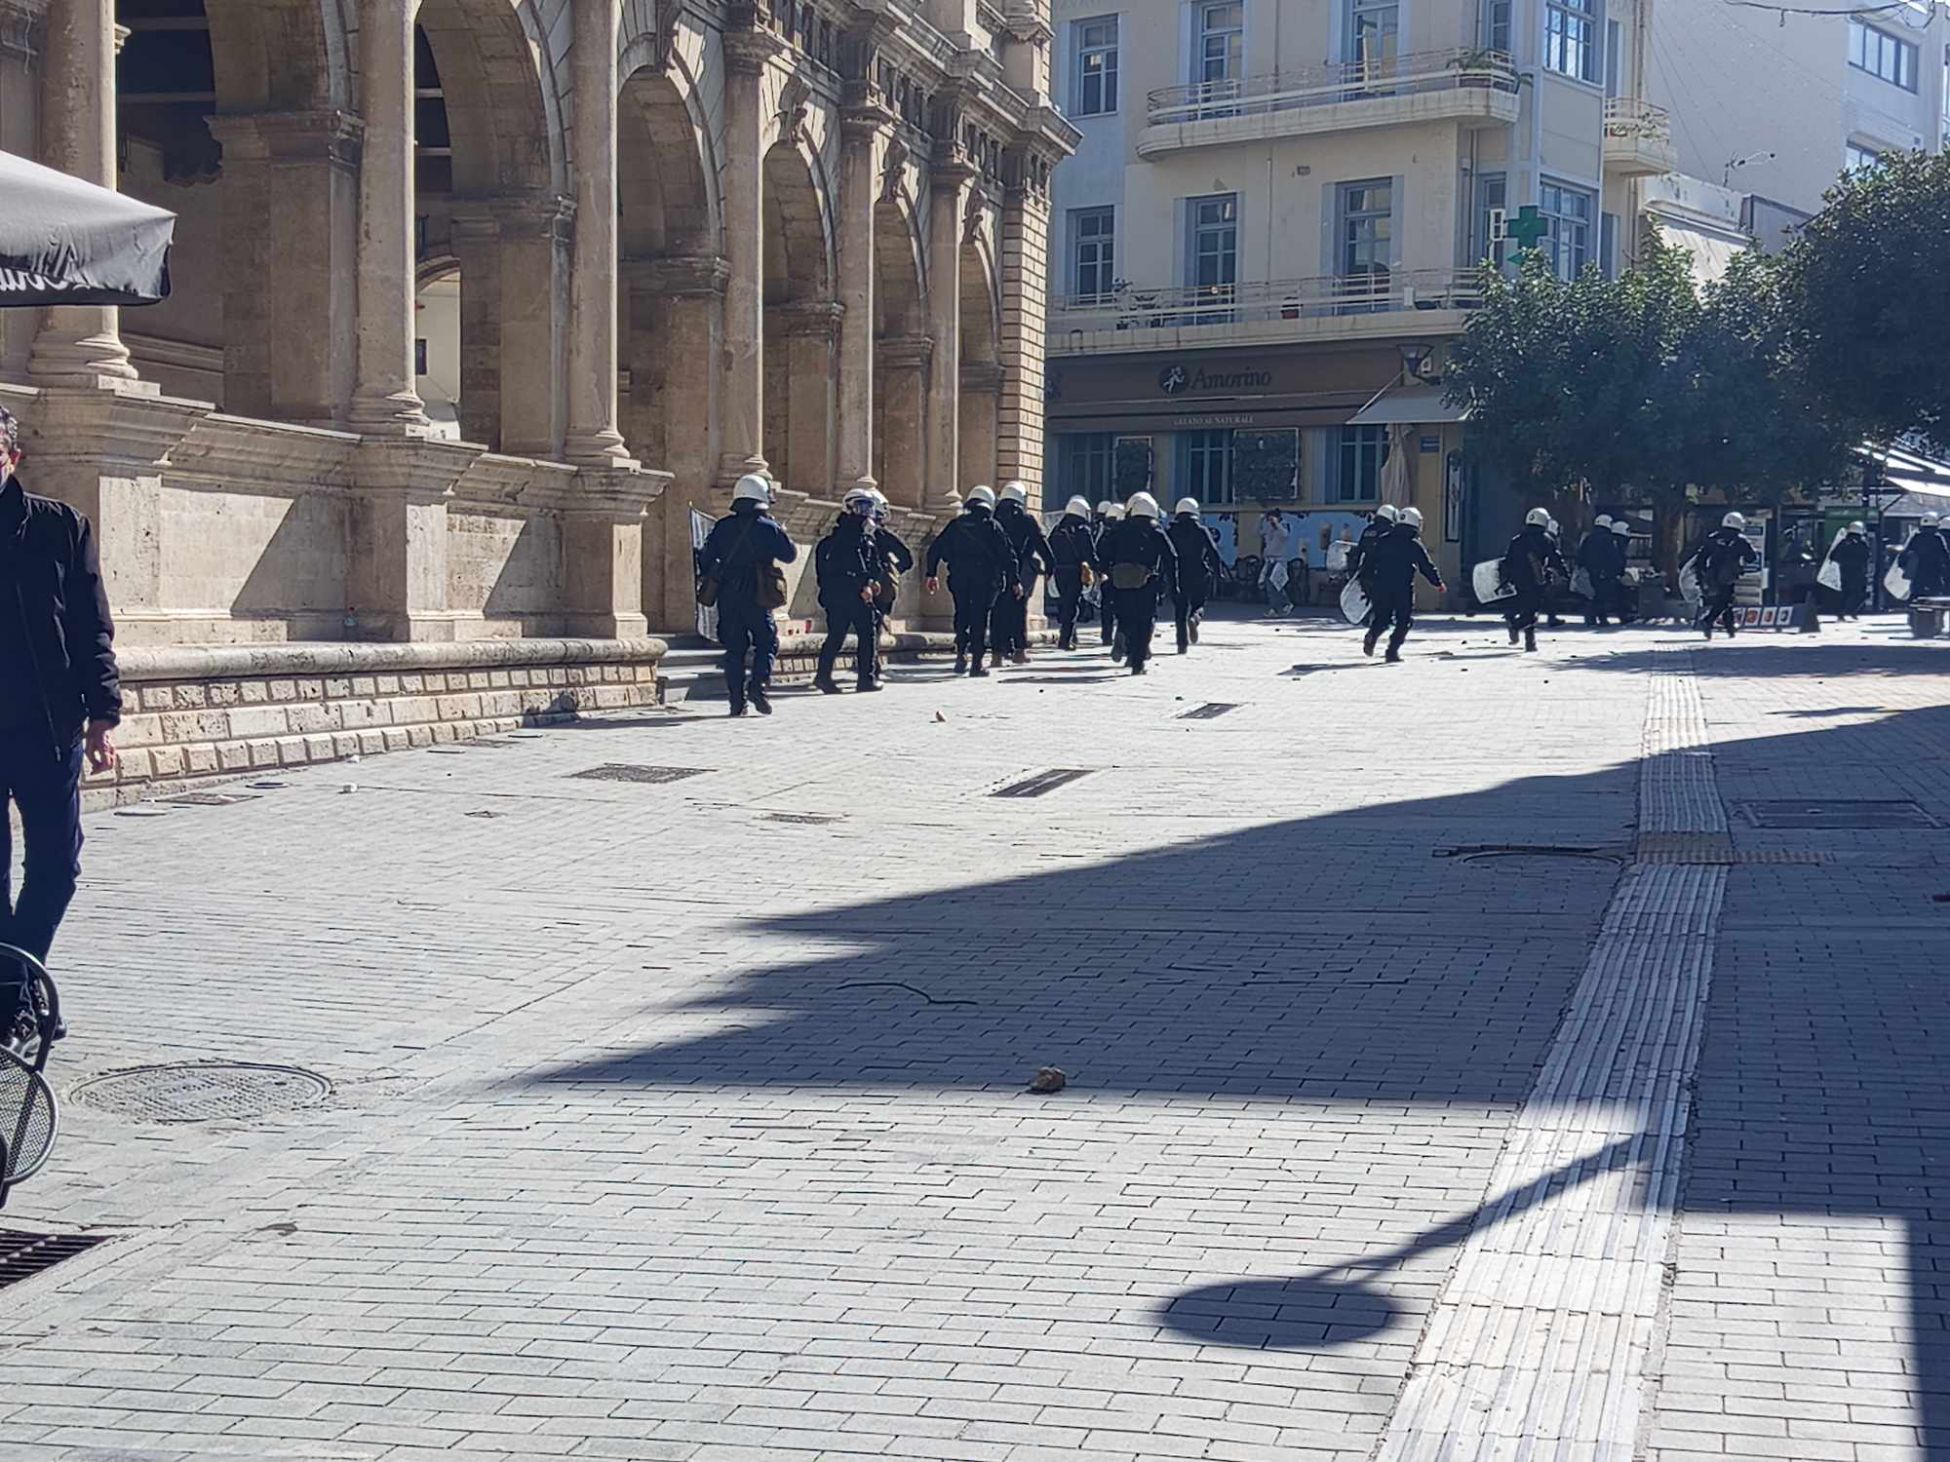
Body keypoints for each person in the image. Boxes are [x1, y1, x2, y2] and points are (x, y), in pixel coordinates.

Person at [0, 405, 119, 1039]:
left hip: (47, 729)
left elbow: (91, 627)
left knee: (56, 865)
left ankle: (18, 986)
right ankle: (13, 1001)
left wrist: (103, 715)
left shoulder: (60, 527)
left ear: (12, 458)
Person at [698, 473, 798, 715]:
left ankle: (736, 702)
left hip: (728, 593)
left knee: (734, 649)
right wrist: (781, 531)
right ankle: (758, 686)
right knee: (767, 641)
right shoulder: (769, 527)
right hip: (758, 593)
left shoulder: (722, 527)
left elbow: (705, 559)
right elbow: (789, 555)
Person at [925, 484, 1020, 676]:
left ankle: (961, 654)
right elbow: (1008, 555)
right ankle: (977, 663)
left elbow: (935, 549)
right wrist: (1014, 581)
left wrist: (931, 573)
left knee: (961, 614)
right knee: (979, 618)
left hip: (959, 577)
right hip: (985, 580)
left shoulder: (956, 525)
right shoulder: (992, 526)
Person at [1097, 492, 1178, 675]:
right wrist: (1173, 584)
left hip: (1120, 580)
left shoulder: (1119, 528)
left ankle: (1123, 633)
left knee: (1126, 616)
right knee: (1144, 620)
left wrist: (1105, 571)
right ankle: (1137, 663)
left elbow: (1103, 550)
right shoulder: (1155, 529)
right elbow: (1171, 556)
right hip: (1147, 581)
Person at [812, 489, 883, 694]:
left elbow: (873, 566)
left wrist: (872, 581)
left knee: (840, 635)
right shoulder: (846, 539)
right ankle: (865, 679)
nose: (865, 513)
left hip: (840, 595)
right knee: (863, 635)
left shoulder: (862, 539)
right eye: (860, 507)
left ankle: (824, 676)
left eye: (868, 508)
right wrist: (863, 585)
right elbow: (848, 567)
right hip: (850, 595)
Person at [1361, 506, 1445, 662]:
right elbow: (1426, 566)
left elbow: (1369, 563)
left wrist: (1366, 582)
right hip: (1403, 588)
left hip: (1381, 586)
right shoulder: (1414, 544)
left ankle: (1372, 634)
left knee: (1382, 618)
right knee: (1403, 620)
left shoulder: (1382, 540)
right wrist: (1437, 583)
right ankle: (1392, 652)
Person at [991, 481, 1055, 666]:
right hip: (1020, 570)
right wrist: (1050, 565)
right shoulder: (1026, 520)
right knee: (1018, 611)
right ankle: (1019, 651)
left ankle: (997, 654)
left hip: (997, 571)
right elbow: (1041, 543)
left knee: (997, 611)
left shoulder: (994, 518)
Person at [1501, 507, 1569, 653]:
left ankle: (1530, 643)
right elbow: (1555, 558)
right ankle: (1516, 626)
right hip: (1535, 580)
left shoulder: (1517, 540)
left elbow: (1507, 561)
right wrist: (1564, 573)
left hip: (1518, 581)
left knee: (1527, 608)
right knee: (1531, 612)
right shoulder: (1545, 539)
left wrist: (1507, 579)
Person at [1165, 497, 1225, 653]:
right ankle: (1194, 618)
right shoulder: (1201, 530)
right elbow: (1213, 552)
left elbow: (1164, 554)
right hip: (1199, 572)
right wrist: (1218, 572)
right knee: (1198, 604)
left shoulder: (1171, 531)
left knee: (1180, 610)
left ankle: (1181, 644)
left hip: (1178, 574)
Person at [1689, 510, 1759, 639]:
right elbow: (1752, 557)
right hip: (1728, 574)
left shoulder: (1713, 537)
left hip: (1711, 573)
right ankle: (1708, 620)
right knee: (1725, 600)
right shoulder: (1740, 540)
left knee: (1725, 599)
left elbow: (1701, 558)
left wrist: (1700, 575)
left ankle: (1729, 627)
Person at [1048, 497, 1096, 651]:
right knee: (1072, 605)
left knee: (1065, 603)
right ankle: (1065, 639)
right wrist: (1099, 568)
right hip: (1075, 571)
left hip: (1059, 571)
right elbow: (1089, 553)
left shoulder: (1057, 529)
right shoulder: (1082, 530)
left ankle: (1071, 635)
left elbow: (1049, 548)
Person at [1577, 514, 1623, 628]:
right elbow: (1613, 556)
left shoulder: (1588, 538)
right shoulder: (1608, 539)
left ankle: (1591, 617)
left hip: (1590, 571)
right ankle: (1602, 619)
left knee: (1593, 594)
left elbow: (1581, 555)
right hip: (1604, 572)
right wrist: (1618, 570)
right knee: (1602, 596)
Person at [1094, 501, 1126, 657]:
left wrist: (1101, 571)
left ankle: (1106, 635)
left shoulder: (1105, 533)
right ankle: (1121, 632)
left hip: (1107, 574)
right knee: (1124, 606)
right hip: (1123, 574)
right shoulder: (1125, 533)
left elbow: (1099, 552)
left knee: (1106, 606)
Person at [1828, 520, 1872, 620]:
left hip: (1844, 571)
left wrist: (1843, 562)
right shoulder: (1862, 543)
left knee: (1845, 592)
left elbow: (1833, 556)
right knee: (1859, 593)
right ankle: (1852, 611)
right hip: (1858, 572)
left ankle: (1841, 613)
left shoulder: (1843, 542)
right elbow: (1867, 557)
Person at [1901, 511, 1950, 599]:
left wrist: (1906, 567)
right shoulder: (1937, 539)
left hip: (1918, 577)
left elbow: (1903, 557)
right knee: (1934, 597)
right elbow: (1945, 557)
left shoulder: (1916, 538)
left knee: (1915, 596)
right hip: (1934, 575)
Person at [1258, 509, 1291, 617]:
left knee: (1276, 584)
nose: (1270, 521)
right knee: (1269, 585)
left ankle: (1283, 604)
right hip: (1269, 560)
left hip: (1279, 560)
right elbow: (1258, 533)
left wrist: (1277, 524)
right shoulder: (1268, 527)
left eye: (1272, 518)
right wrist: (1260, 521)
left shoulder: (1283, 525)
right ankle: (1276, 608)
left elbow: (1285, 535)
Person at [1609, 519, 1638, 622]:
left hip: (1612, 573)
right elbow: (1618, 558)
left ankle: (1623, 615)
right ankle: (1623, 615)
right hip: (1612, 573)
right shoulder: (1617, 543)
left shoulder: (1613, 541)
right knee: (1620, 594)